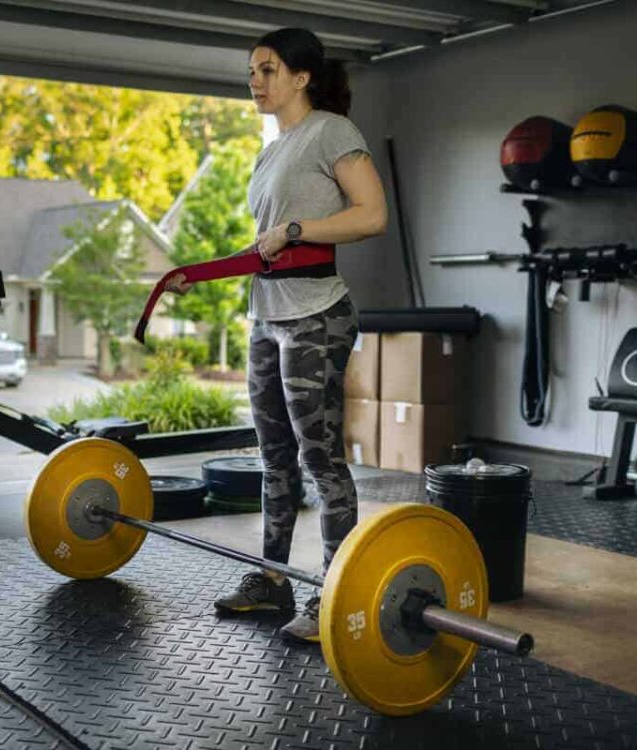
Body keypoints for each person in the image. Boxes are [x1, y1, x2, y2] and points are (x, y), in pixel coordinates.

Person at [166, 27, 388, 642]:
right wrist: (197, 275)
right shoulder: (271, 151)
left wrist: (295, 228)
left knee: (321, 461)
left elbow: (372, 215)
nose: (255, 81)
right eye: (251, 72)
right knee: (273, 459)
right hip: (267, 316)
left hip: (317, 314)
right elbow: (266, 244)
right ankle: (272, 581)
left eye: (267, 70)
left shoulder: (331, 131)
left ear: (301, 77)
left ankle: (336, 595)